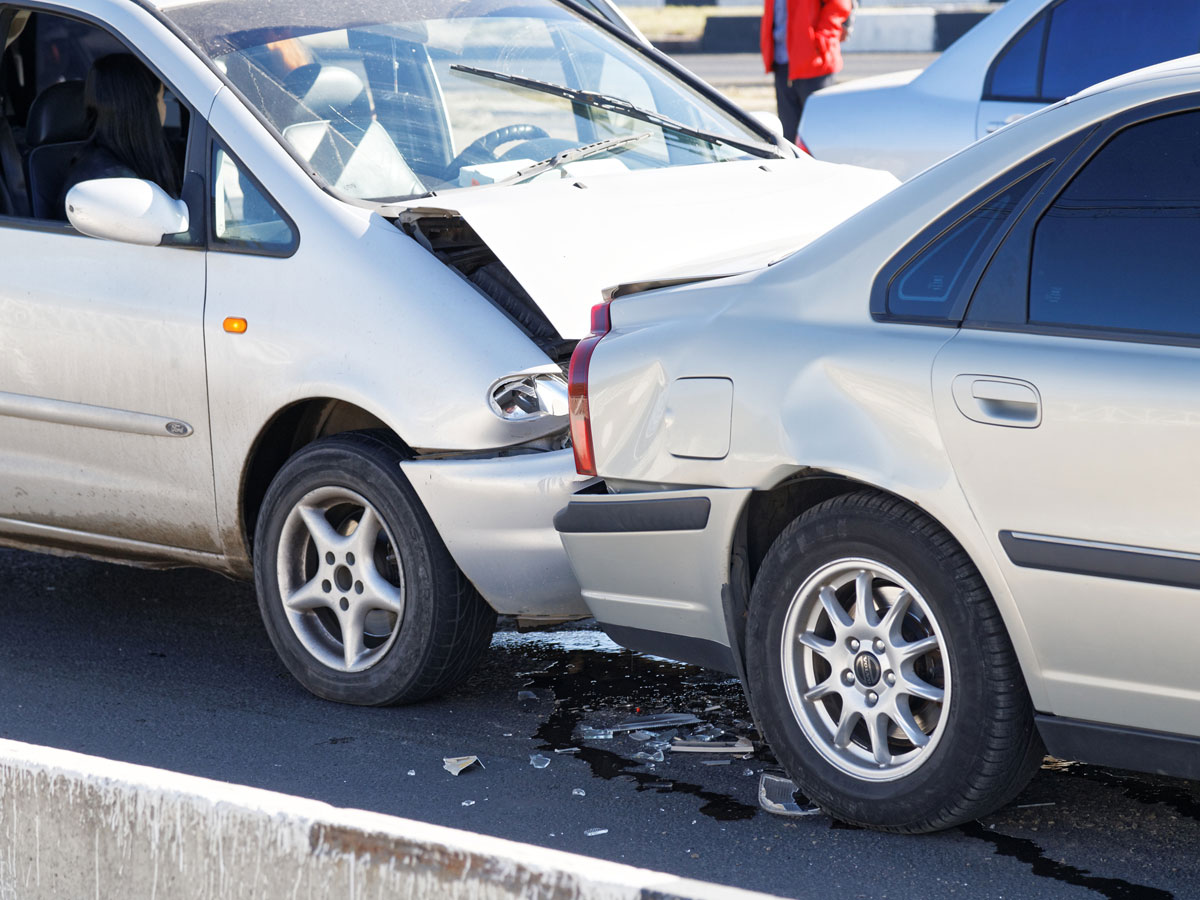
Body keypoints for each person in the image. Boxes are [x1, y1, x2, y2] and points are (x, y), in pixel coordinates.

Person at [59, 53, 179, 213]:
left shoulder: (109, 165)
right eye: (162, 98)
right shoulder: (108, 181)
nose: (165, 107)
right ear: (144, 108)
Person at [761, 0, 852, 145]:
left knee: (819, 134)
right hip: (782, 63)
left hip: (814, 64)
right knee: (788, 136)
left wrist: (822, 39)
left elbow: (839, 4)